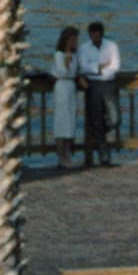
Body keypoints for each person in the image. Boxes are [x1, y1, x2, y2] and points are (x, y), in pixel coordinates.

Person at [80, 17, 123, 166]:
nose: (94, 37)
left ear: (101, 34)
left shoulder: (111, 46)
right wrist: (100, 67)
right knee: (96, 119)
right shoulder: (84, 48)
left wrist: (97, 69)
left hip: (108, 84)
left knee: (115, 118)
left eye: (96, 34)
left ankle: (98, 133)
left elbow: (115, 66)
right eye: (91, 35)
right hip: (92, 85)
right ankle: (104, 156)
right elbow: (83, 67)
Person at [47, 27, 85, 169]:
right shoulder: (59, 55)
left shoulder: (75, 55)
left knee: (70, 121)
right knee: (61, 121)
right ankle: (61, 155)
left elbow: (76, 72)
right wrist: (67, 62)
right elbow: (62, 72)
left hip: (71, 87)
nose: (75, 42)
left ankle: (68, 153)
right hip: (62, 86)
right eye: (73, 39)